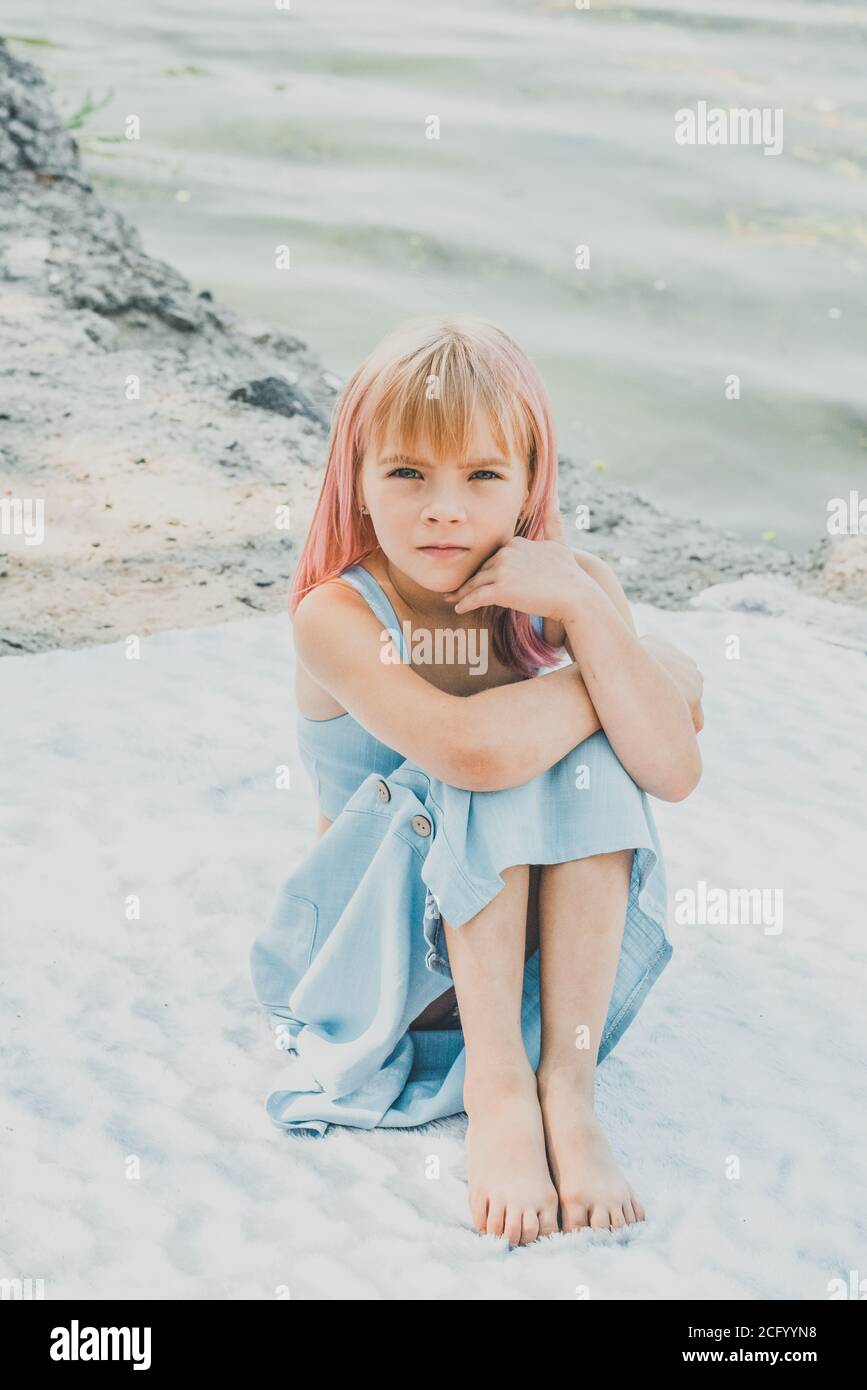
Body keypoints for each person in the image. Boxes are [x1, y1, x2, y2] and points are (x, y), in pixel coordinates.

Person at [249, 314, 704, 1246]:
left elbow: (670, 768)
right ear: (358, 484)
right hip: (379, 953)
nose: (443, 508)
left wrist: (586, 609)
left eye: (482, 475)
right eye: (407, 473)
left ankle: (563, 1086)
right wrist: (633, 671)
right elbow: (474, 755)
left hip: (528, 951)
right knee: (492, 757)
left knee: (584, 760)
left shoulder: (569, 586)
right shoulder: (335, 614)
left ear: (531, 482)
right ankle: (499, 1088)